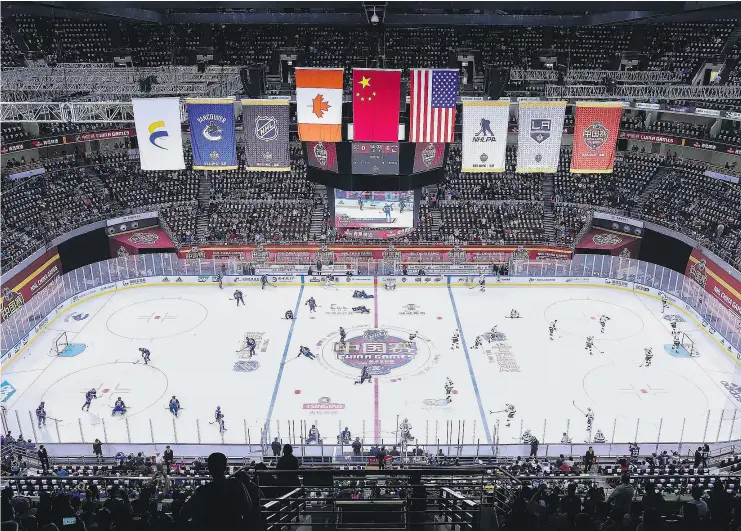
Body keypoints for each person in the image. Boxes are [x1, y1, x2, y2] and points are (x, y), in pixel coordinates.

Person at [177, 452, 252, 531]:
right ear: (225, 468)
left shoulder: (202, 491)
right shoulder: (237, 486)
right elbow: (247, 508)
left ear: (209, 468)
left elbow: (184, 513)